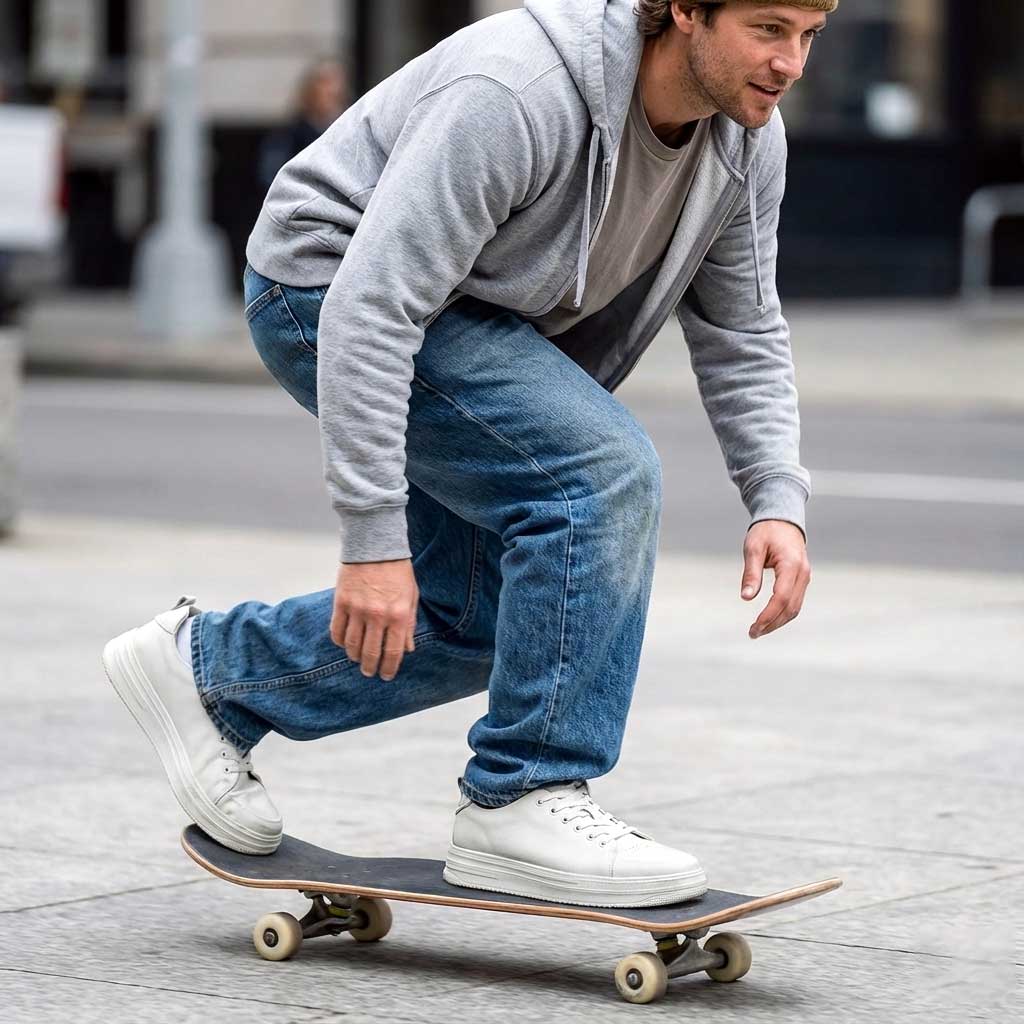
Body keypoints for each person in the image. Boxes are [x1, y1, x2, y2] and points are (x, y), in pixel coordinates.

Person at [103, 0, 831, 908]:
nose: (792, 61)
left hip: (473, 314)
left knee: (487, 616)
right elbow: (373, 303)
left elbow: (744, 327)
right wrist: (372, 540)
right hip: (326, 285)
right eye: (770, 28)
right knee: (598, 474)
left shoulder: (746, 145)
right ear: (685, 10)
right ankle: (523, 793)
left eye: (810, 34)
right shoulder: (517, 89)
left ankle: (211, 674)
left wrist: (776, 498)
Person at [257, 58, 348, 192]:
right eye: (325, 82)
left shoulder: (348, 132)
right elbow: (273, 180)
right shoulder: (288, 137)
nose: (332, 90)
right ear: (310, 90)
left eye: (337, 83)